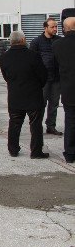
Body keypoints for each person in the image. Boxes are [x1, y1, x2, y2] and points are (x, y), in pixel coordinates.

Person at [0, 30, 49, 158]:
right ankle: (36, 151)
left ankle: (13, 149)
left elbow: (6, 76)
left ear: (11, 41)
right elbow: (43, 75)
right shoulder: (33, 55)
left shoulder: (4, 56)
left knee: (14, 123)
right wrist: (38, 86)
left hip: (15, 95)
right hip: (33, 95)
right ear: (23, 40)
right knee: (36, 124)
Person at [30, 18, 63, 136]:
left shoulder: (59, 41)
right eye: (52, 27)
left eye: (56, 27)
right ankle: (37, 127)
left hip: (57, 78)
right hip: (42, 80)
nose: (55, 29)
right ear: (45, 28)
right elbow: (32, 61)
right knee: (40, 104)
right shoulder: (36, 42)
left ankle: (51, 126)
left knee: (54, 104)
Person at [53, 17, 75, 163]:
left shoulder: (57, 44)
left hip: (68, 89)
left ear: (64, 28)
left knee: (70, 122)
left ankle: (70, 153)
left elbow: (54, 68)